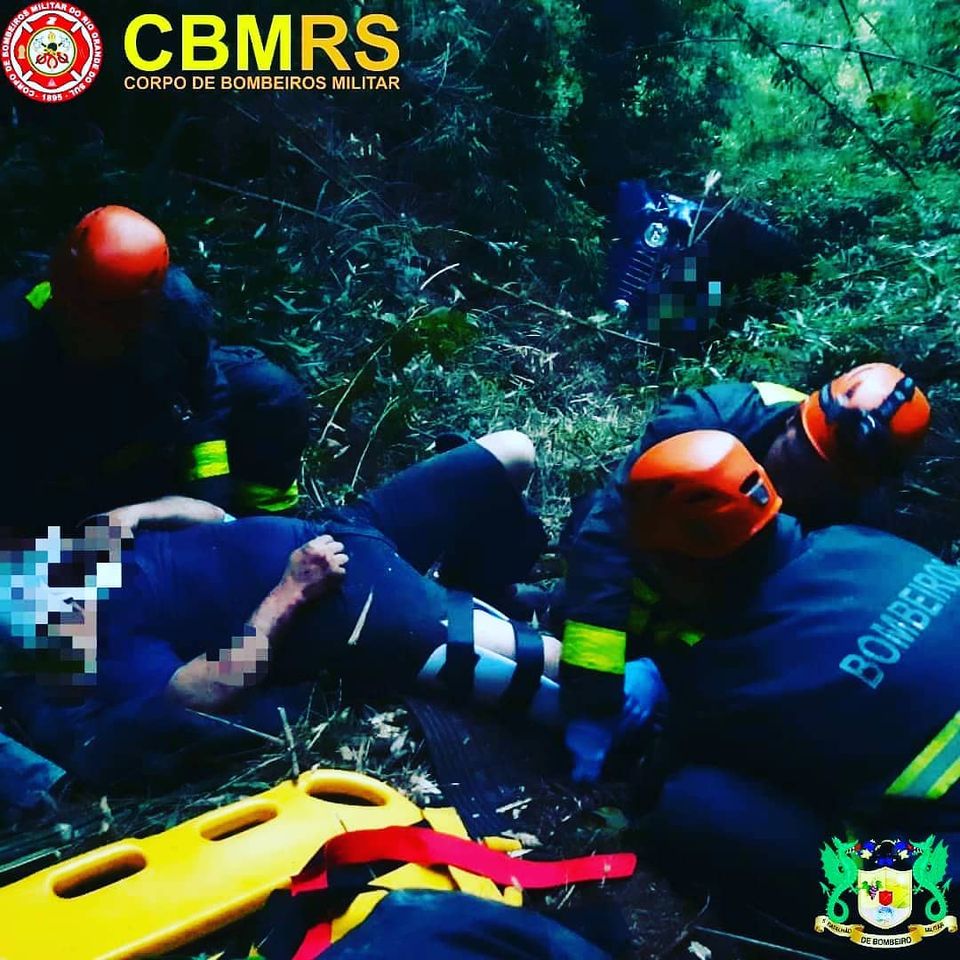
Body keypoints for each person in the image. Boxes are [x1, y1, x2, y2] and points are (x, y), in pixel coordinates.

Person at [2, 432, 557, 788]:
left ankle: (479, 587)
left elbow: (215, 516)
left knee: (513, 451)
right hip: (349, 603)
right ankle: (622, 693)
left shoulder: (92, 552)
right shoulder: (103, 659)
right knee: (553, 664)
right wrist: (289, 593)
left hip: (342, 527)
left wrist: (142, 511)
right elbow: (201, 693)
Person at [604, 430, 960, 928]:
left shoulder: (733, 668)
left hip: (943, 888)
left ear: (679, 566)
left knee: (690, 805)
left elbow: (653, 777)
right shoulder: (862, 540)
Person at [558, 364, 931, 779]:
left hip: (716, 621)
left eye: (824, 484)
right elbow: (609, 536)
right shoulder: (708, 422)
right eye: (798, 463)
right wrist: (594, 699)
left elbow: (780, 637)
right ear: (794, 418)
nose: (788, 493)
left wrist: (671, 678)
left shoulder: (859, 531)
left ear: (858, 488)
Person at [0, 205, 309, 531]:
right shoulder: (14, 335)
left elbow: (205, 398)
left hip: (152, 416)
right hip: (65, 449)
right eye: (83, 311)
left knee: (270, 392)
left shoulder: (175, 304)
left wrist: (209, 507)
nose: (94, 326)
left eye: (112, 316)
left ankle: (271, 529)